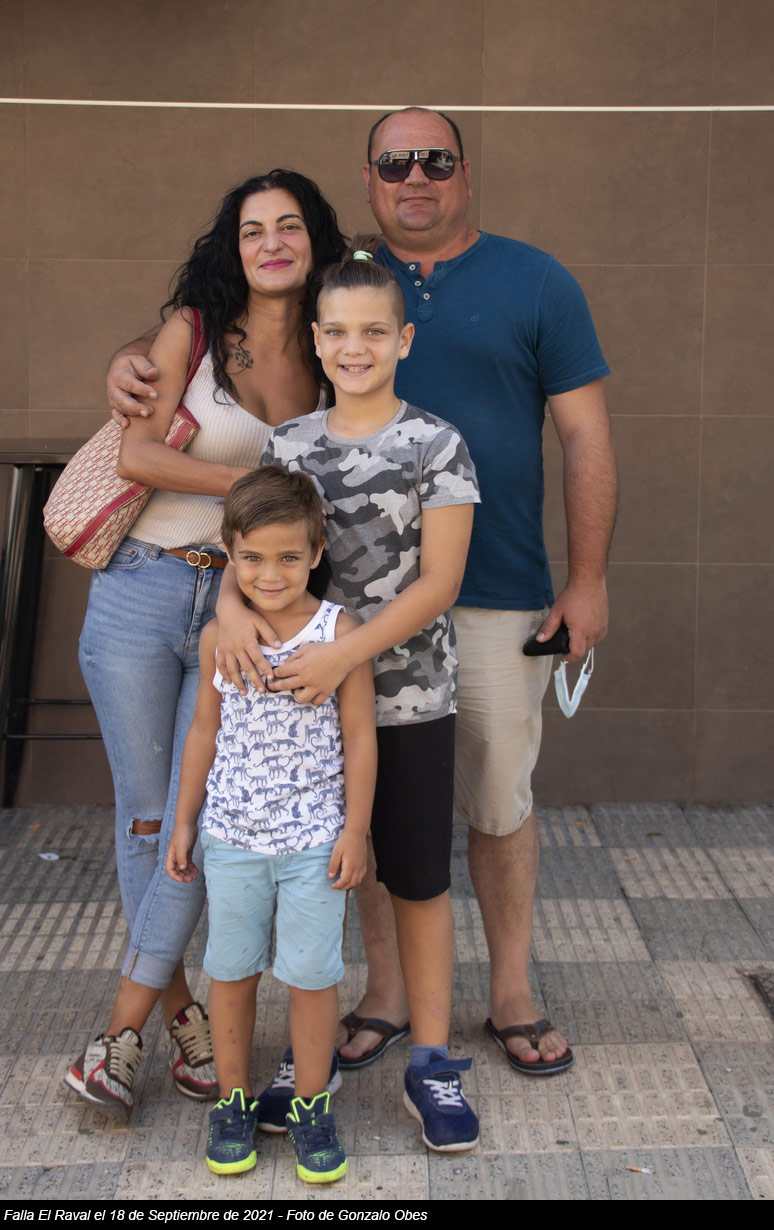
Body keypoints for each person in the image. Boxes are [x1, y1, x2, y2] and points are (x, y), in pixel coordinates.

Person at [106, 107, 617, 1079]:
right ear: (370, 179)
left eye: (435, 160)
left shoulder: (535, 280)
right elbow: (228, 312)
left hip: (489, 592)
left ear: (465, 172)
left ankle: (510, 991)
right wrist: (136, 355)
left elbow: (586, 432)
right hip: (338, 617)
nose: (415, 176)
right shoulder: (337, 277)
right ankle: (384, 994)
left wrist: (588, 578)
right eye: (394, 163)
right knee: (368, 814)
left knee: (497, 799)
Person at [65, 170, 347, 1121]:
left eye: (289, 226)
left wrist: (242, 586)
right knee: (150, 820)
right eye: (252, 229)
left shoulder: (328, 353)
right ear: (234, 248)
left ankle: (123, 1032)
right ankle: (173, 1014)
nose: (271, 243)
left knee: (206, 814)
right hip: (142, 589)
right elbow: (138, 454)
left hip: (241, 606)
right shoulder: (192, 329)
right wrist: (257, 487)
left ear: (315, 242)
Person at [241, 244, 481, 1153]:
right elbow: (250, 557)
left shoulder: (436, 444)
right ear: (315, 338)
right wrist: (230, 619)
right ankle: (307, 1059)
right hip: (303, 712)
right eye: (337, 332)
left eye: (374, 332)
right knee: (308, 882)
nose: (355, 348)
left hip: (409, 702)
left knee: (416, 878)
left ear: (404, 339)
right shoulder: (288, 446)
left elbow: (440, 582)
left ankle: (432, 1060)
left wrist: (346, 657)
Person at [165, 465, 376, 1182]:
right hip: (231, 839)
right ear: (229, 553)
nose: (270, 574)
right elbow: (202, 732)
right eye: (252, 557)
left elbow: (361, 737)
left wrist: (355, 831)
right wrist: (185, 822)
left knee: (312, 976)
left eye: (289, 556)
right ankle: (232, 1102)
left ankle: (311, 1106)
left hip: (316, 842)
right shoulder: (220, 638)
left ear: (317, 552)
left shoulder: (339, 632)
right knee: (230, 970)